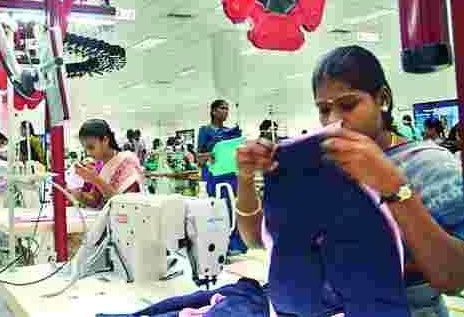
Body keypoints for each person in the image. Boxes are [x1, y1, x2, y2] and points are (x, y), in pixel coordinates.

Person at [236, 46, 464, 316]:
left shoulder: (430, 165)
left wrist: (394, 188)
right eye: (324, 109)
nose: (333, 120)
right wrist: (246, 178)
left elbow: (454, 279)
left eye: (348, 105)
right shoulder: (321, 167)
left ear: (382, 98)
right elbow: (257, 240)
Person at [198, 99, 247, 255]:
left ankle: (235, 245)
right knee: (218, 210)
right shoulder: (205, 130)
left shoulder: (230, 132)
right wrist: (209, 155)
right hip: (213, 175)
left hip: (230, 174)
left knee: (234, 207)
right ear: (213, 111)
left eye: (227, 109)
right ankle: (220, 246)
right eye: (222, 108)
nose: (226, 111)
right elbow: (199, 158)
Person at [69, 119, 144, 209]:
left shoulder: (127, 161)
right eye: (85, 149)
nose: (88, 153)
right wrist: (77, 194)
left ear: (105, 140)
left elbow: (127, 205)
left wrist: (96, 180)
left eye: (91, 147)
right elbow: (95, 200)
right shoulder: (99, 165)